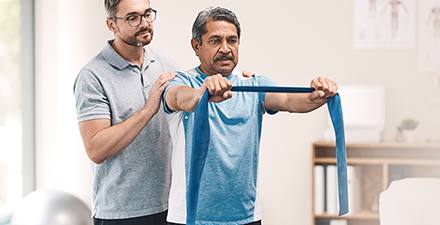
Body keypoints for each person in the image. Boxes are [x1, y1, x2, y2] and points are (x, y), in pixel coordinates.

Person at [163, 6, 338, 225]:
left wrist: (318, 94)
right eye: (215, 41)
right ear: (196, 46)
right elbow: (178, 98)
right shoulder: (182, 81)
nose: (225, 48)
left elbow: (288, 99)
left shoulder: (253, 83)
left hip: (246, 218)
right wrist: (203, 93)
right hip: (189, 218)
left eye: (232, 40)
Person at [73, 0, 179, 224]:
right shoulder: (92, 76)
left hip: (169, 206)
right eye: (133, 17)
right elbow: (96, 149)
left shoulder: (165, 62)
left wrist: (231, 82)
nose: (144, 23)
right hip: (120, 214)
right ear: (112, 25)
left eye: (147, 14)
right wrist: (148, 110)